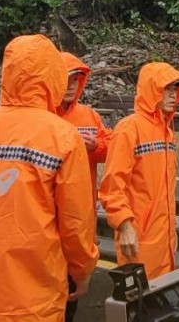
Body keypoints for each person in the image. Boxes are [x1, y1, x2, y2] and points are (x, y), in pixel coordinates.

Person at [0, 34, 99, 322]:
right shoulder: (62, 137)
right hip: (37, 290)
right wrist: (81, 270)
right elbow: (76, 221)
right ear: (54, 76)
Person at [99, 61, 179, 280]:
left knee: (160, 301)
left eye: (175, 89)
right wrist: (125, 226)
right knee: (139, 303)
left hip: (163, 237)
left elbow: (165, 190)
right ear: (153, 90)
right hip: (139, 237)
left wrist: (171, 230)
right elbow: (112, 186)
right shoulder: (129, 128)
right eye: (167, 89)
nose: (173, 95)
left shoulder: (166, 132)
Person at [57, 52, 112, 322]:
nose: (71, 85)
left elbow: (114, 148)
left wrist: (97, 147)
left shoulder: (88, 115)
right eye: (66, 79)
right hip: (45, 220)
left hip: (79, 218)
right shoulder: (38, 115)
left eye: (77, 80)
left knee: (71, 293)